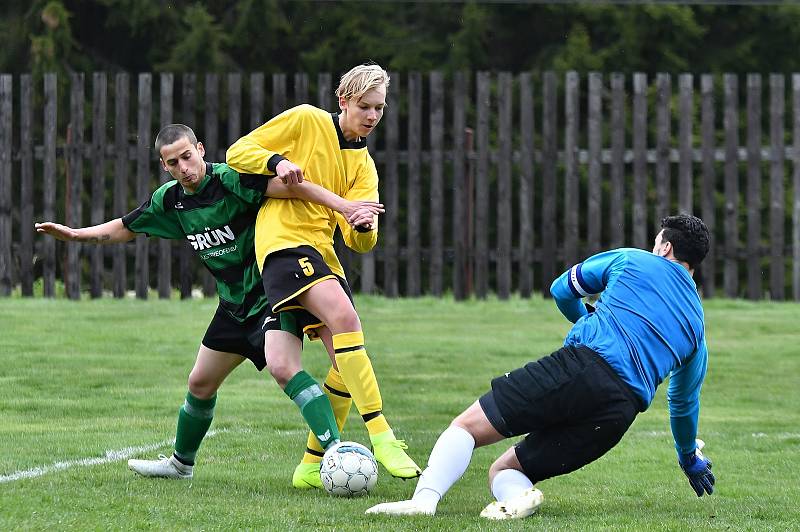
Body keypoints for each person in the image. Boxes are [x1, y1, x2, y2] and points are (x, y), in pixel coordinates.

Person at [35, 124, 382, 479]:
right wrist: (75, 234)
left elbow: (292, 190)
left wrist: (346, 207)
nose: (183, 167)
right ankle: (181, 464)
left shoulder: (231, 180)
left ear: (200, 149)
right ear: (164, 165)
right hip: (232, 306)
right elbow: (126, 226)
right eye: (173, 162)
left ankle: (334, 451)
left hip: (269, 298)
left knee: (285, 369)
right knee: (199, 382)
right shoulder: (171, 199)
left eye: (187, 156)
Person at [365, 214, 715, 519]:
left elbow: (562, 290)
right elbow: (682, 404)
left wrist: (585, 323)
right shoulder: (697, 328)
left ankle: (423, 501)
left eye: (657, 243)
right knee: (506, 469)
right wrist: (688, 458)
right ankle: (518, 498)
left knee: (467, 427)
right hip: (617, 415)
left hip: (581, 368)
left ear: (666, 248)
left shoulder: (633, 260)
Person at [226, 62, 421, 488]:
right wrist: (276, 163)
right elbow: (237, 152)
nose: (372, 117)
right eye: (365, 107)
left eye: (380, 109)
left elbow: (360, 242)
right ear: (343, 101)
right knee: (347, 321)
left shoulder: (365, 166)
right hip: (283, 243)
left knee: (343, 364)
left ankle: (311, 465)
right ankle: (382, 436)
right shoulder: (306, 119)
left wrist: (363, 227)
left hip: (322, 254)